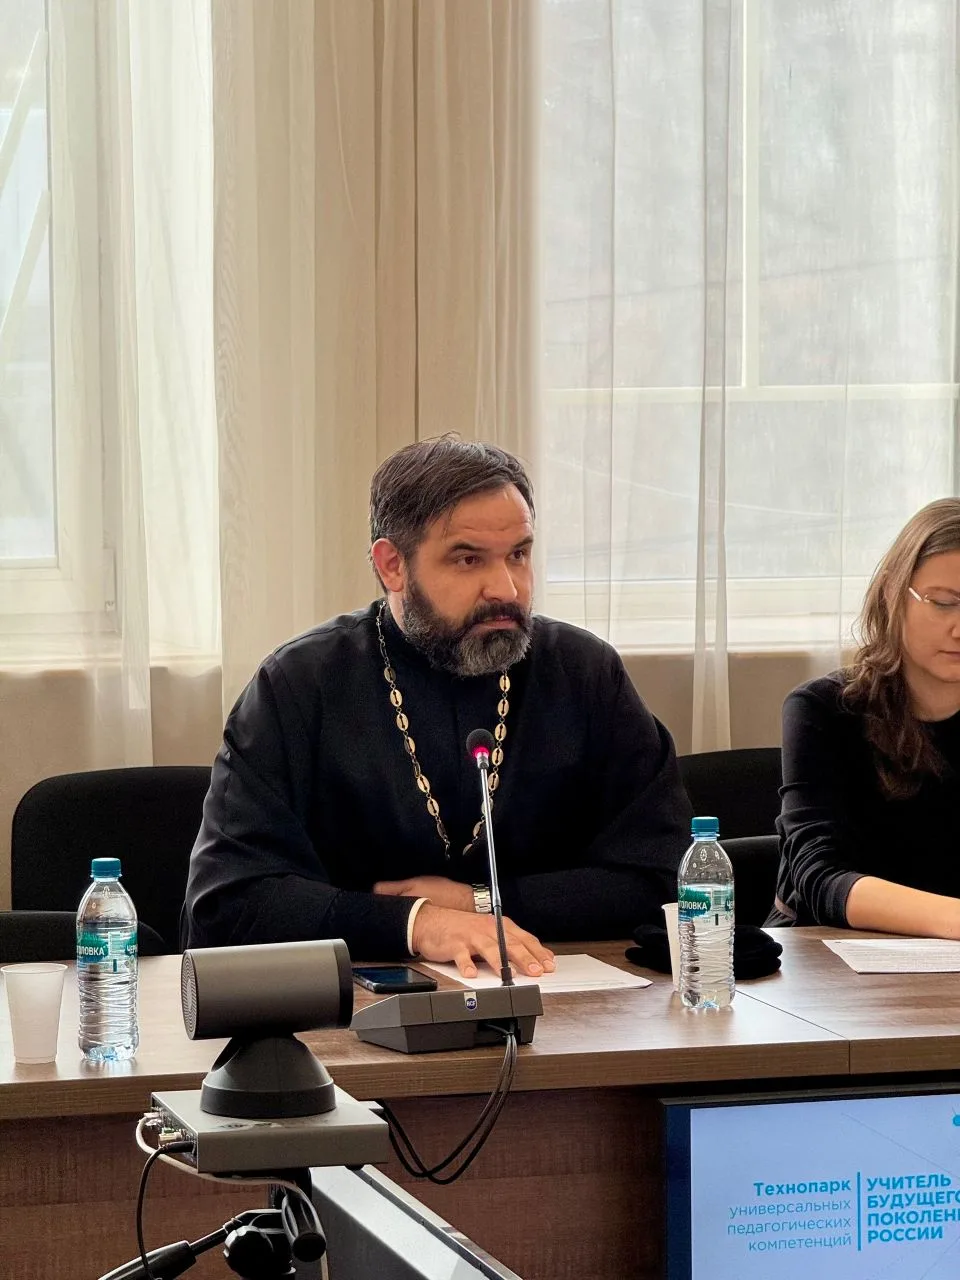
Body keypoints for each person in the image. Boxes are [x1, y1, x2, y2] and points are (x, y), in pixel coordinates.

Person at [183, 436, 690, 976]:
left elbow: (667, 876)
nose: (506, 588)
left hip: (563, 995)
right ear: (392, 566)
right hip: (347, 1006)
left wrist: (478, 903)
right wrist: (415, 923)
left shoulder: (585, 673)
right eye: (469, 559)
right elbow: (226, 903)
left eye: (518, 555)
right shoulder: (299, 686)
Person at [772, 497, 960, 936]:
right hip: (825, 957)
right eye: (943, 603)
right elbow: (820, 878)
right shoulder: (822, 710)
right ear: (893, 592)